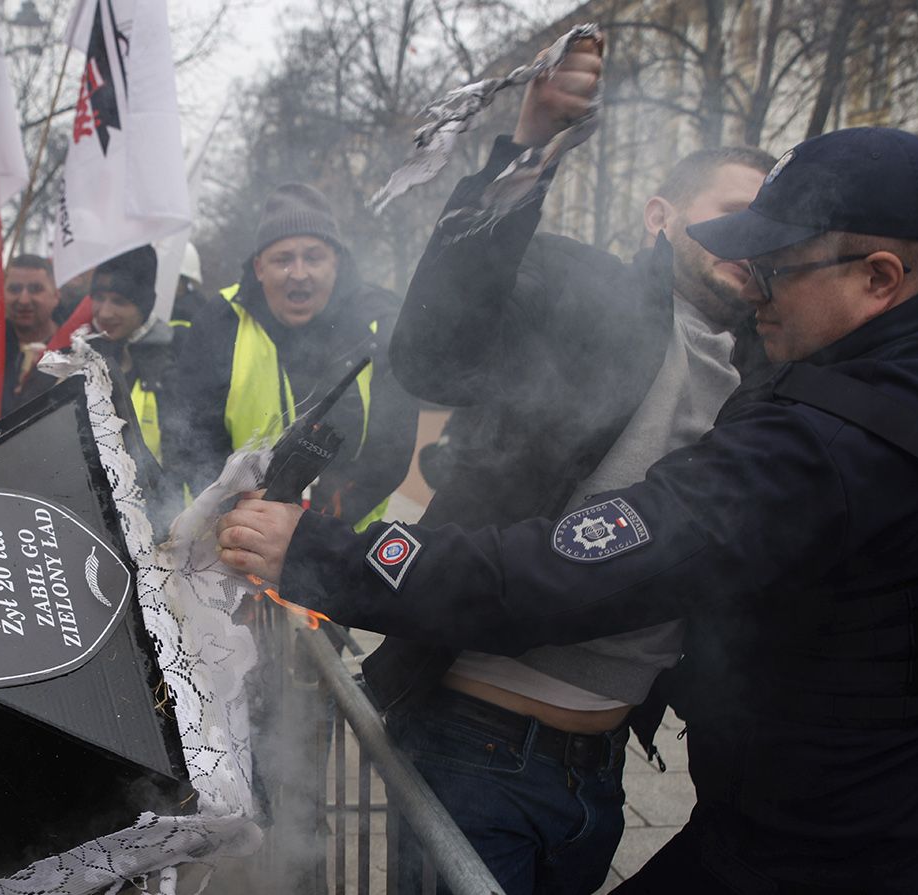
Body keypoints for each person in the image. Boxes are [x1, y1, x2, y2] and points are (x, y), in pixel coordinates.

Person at [217, 127, 918, 892]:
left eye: (782, 265)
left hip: (825, 847)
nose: (758, 282)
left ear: (878, 278)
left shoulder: (820, 438)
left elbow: (574, 568)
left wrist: (329, 557)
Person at [325, 39, 777, 890]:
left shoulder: (773, 373)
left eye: (774, 224)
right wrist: (525, 155)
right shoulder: (585, 292)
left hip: (601, 769)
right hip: (475, 745)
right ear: (659, 216)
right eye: (732, 211)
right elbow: (435, 355)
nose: (753, 241)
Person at [163, 183, 420, 532]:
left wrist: (314, 533)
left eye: (313, 257)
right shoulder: (220, 321)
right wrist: (238, 517)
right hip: (236, 539)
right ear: (259, 268)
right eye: (283, 259)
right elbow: (190, 438)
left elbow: (391, 451)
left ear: (336, 262)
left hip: (339, 544)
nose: (299, 273)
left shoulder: (380, 321)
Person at [82, 245, 176, 461]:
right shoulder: (78, 355)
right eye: (98, 297)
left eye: (119, 301)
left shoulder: (173, 362)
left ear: (144, 305)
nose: (104, 312)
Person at [1, 254, 65, 415]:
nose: (23, 300)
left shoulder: (75, 350)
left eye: (36, 289)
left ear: (56, 296)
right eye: (14, 289)